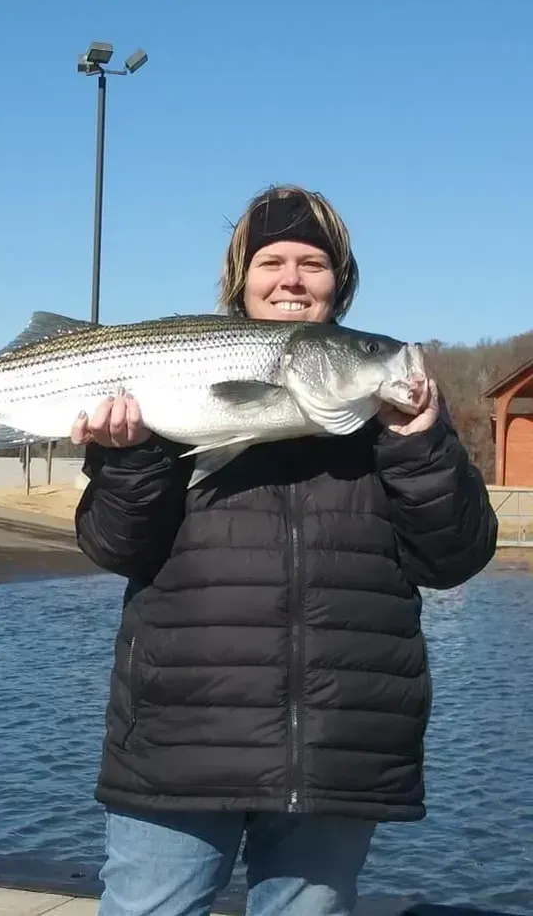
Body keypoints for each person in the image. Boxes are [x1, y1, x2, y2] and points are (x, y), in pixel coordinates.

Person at [70, 184, 498, 916]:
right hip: (180, 736)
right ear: (241, 278)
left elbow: (454, 557)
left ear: (340, 282)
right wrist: (133, 456)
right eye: (271, 260)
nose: (291, 279)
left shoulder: (393, 412)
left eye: (313, 263)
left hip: (339, 743)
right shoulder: (178, 382)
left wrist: (420, 445)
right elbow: (115, 544)